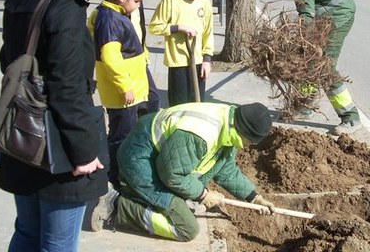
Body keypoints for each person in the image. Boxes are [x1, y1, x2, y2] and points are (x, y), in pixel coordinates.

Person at [0, 0, 117, 252]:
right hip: (59, 147)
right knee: (58, 243)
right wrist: (84, 152)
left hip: (24, 132)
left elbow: (10, 61)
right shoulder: (66, 4)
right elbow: (67, 87)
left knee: (27, 233)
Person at [91, 101, 276, 240]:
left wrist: (254, 197)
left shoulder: (230, 123)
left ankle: (137, 196)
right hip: (140, 161)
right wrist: (203, 195)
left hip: (161, 161)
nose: (248, 146)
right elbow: (171, 174)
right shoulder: (201, 134)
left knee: (183, 195)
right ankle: (117, 204)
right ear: (244, 132)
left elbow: (226, 169)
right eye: (251, 142)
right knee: (186, 229)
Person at [271, 0, 361, 136]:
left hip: (337, 16)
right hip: (333, 13)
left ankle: (351, 117)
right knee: (309, 60)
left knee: (324, 66)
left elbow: (307, 13)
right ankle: (304, 106)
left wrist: (303, 37)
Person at [88, 0, 149, 188]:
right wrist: (125, 86)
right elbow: (111, 58)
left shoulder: (112, 12)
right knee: (121, 136)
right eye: (137, 1)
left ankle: (121, 172)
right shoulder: (110, 19)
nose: (138, 6)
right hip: (122, 92)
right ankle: (118, 178)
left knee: (125, 132)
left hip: (129, 88)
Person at [149, 0, 214, 106]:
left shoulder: (204, 2)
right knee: (179, 105)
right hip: (178, 62)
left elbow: (208, 32)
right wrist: (178, 28)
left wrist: (207, 60)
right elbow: (154, 27)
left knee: (196, 104)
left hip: (198, 61)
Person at [126, 0, 161, 116]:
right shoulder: (124, 4)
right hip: (126, 65)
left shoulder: (137, 1)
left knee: (152, 101)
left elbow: (139, 30)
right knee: (140, 106)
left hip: (139, 59)